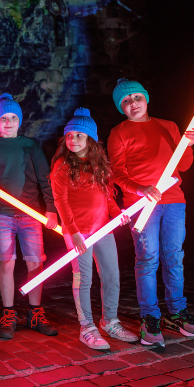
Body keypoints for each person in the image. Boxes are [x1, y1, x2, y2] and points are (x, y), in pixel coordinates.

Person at [108, 78, 194, 347]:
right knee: (148, 259)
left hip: (174, 200)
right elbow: (117, 172)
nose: (133, 104)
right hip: (141, 206)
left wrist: (189, 144)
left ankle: (176, 313)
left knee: (174, 256)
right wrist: (140, 190)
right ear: (121, 107)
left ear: (146, 99)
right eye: (126, 101)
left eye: (136, 98)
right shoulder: (119, 133)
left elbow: (183, 165)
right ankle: (150, 317)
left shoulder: (169, 126)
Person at [50, 108, 139, 350]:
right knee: (83, 278)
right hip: (78, 232)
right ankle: (86, 326)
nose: (73, 140)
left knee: (112, 275)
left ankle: (109, 321)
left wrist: (116, 214)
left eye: (79, 135)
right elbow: (61, 201)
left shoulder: (100, 165)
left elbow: (108, 196)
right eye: (69, 135)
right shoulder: (62, 165)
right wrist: (74, 231)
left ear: (90, 138)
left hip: (103, 230)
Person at [0, 93, 59, 340]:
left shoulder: (30, 145)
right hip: (1, 214)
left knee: (35, 263)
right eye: (3, 118)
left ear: (19, 120)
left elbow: (44, 178)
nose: (8, 122)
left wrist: (50, 208)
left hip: (30, 214)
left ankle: (35, 312)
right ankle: (8, 314)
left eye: (12, 118)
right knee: (6, 263)